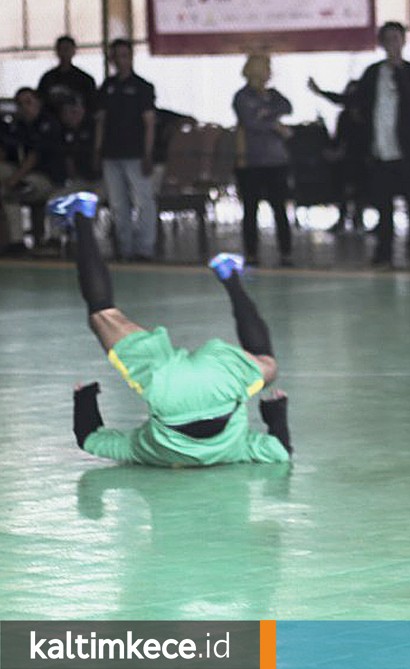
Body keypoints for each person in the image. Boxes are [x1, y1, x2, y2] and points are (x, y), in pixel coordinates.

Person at [49, 191, 292, 467]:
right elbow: (89, 438)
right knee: (102, 313)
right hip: (164, 384)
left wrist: (275, 410)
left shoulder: (238, 450)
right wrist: (85, 397)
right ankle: (81, 214)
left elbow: (281, 450)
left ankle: (229, 274)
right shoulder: (149, 453)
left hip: (222, 382)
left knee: (268, 366)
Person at [353, 21, 410, 266]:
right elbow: (356, 99)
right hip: (380, 150)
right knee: (383, 206)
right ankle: (384, 251)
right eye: (388, 39)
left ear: (404, 41)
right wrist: (323, 94)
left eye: (397, 38)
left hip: (407, 151)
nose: (392, 44)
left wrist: (399, 72)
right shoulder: (373, 72)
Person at [94, 38, 158, 261]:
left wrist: (148, 154)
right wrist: (98, 149)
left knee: (143, 201)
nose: (121, 60)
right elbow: (101, 121)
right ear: (111, 58)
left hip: (136, 153)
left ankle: (145, 248)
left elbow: (149, 123)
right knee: (118, 204)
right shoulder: (107, 87)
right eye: (117, 56)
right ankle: (125, 248)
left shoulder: (143, 87)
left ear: (131, 57)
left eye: (125, 55)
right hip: (111, 154)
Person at [233, 53, 294, 267]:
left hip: (276, 160)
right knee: (251, 209)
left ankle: (286, 251)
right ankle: (251, 252)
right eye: (266, 67)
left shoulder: (273, 95)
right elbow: (249, 122)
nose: (270, 72)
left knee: (280, 208)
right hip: (251, 161)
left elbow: (287, 107)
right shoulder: (242, 97)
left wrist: (264, 112)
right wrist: (274, 125)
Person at [0, 88, 62, 253]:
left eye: (29, 102)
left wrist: (14, 179)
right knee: (7, 192)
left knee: (15, 188)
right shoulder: (19, 126)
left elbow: (34, 156)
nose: (25, 107)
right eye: (20, 104)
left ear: (38, 102)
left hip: (48, 179)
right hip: (26, 175)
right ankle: (17, 242)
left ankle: (52, 241)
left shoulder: (48, 124)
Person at [37, 35, 97, 118]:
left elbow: (91, 106)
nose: (64, 53)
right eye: (61, 49)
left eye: (67, 49)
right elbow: (40, 103)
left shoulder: (85, 79)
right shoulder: (48, 78)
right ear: (57, 51)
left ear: (73, 51)